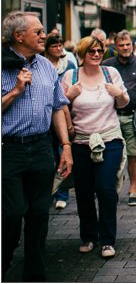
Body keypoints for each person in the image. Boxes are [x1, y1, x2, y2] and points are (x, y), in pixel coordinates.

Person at [2, 11, 73, 281]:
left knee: (39, 213)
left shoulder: (45, 66)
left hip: (41, 148)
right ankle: (5, 257)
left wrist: (65, 145)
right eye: (38, 31)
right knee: (12, 213)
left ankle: (34, 271)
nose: (45, 35)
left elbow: (57, 107)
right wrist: (15, 91)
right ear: (19, 36)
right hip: (9, 149)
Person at [63, 35, 131, 259]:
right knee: (84, 192)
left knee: (105, 189)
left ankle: (107, 240)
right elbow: (59, 107)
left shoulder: (111, 73)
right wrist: (67, 96)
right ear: (81, 54)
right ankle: (89, 236)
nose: (96, 55)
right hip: (81, 142)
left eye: (99, 51)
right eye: (91, 51)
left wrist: (119, 94)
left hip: (109, 139)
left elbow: (124, 103)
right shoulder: (70, 76)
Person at [102, 31, 136, 207]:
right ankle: (112, 189)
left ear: (132, 45)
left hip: (134, 117)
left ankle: (133, 190)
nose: (125, 48)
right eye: (121, 45)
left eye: (128, 44)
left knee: (134, 154)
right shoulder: (107, 65)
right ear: (115, 47)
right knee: (112, 155)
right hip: (111, 117)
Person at [44, 34, 77, 209]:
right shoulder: (42, 64)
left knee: (62, 151)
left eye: (60, 45)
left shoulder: (69, 66)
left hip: (64, 114)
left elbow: (73, 90)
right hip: (46, 118)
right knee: (50, 155)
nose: (58, 48)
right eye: (54, 45)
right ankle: (50, 191)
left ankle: (62, 193)